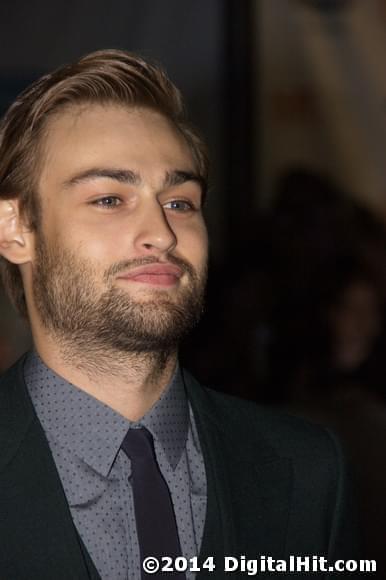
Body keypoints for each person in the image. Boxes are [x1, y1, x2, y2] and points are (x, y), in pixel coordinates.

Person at [0, 50, 360, 580]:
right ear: (15, 229)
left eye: (180, 203)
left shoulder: (308, 471)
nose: (162, 235)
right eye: (109, 199)